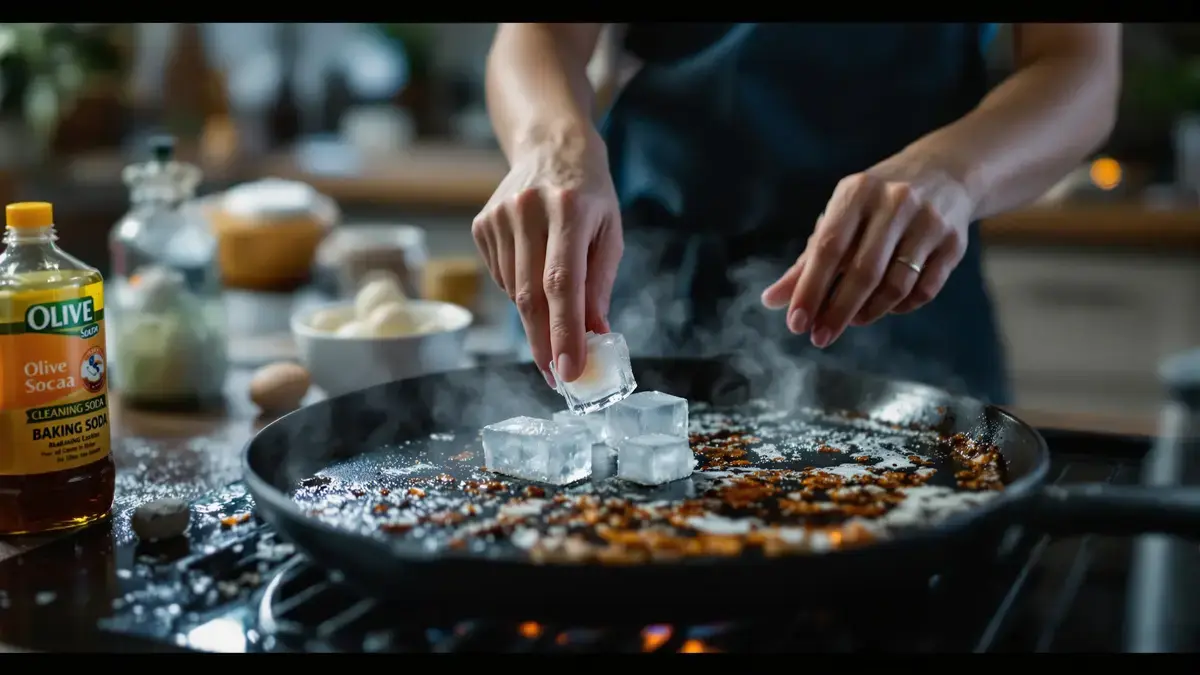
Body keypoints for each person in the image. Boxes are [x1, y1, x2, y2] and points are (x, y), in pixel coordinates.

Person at [472, 23, 1121, 403]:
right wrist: (551, 147)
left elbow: (1078, 63)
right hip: (644, 252)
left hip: (894, 281)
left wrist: (952, 170)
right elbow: (541, 33)